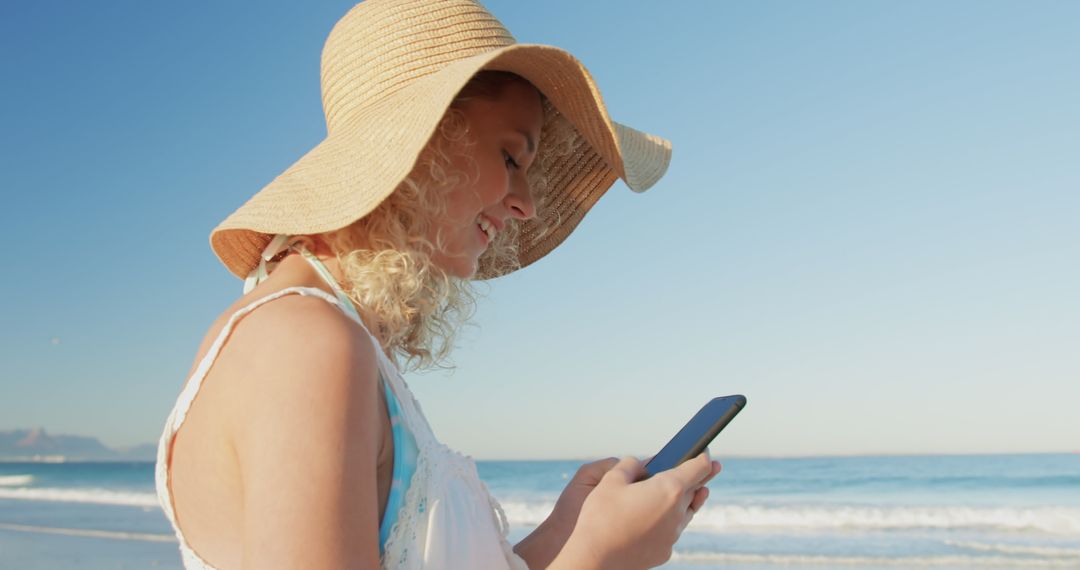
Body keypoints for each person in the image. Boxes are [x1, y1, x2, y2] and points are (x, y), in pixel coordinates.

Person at [154, 0, 723, 568]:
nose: (525, 204)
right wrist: (598, 558)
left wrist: (566, 536)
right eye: (510, 156)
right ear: (419, 143)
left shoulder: (314, 333)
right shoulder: (305, 343)